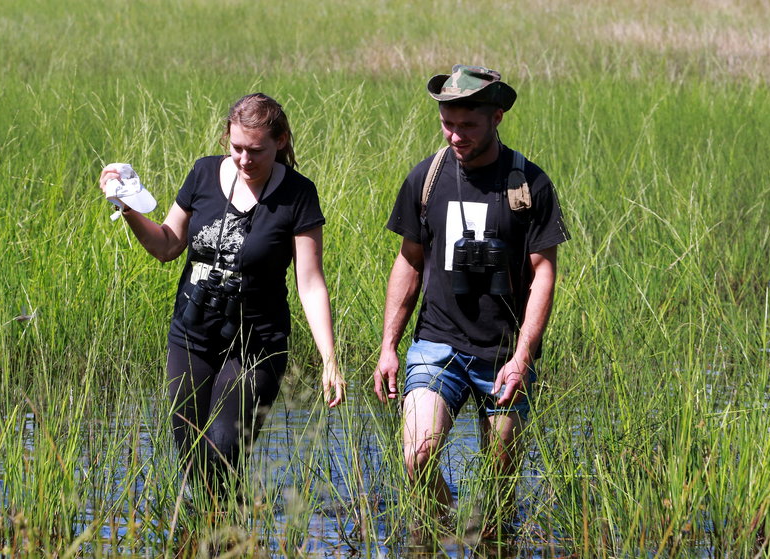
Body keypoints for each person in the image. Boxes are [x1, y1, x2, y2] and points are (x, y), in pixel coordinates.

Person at [99, 93, 345, 495]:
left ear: (280, 141)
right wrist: (127, 209)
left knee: (223, 454)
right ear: (226, 140)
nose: (245, 160)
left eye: (256, 151)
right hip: (192, 335)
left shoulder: (298, 194)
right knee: (193, 459)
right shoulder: (202, 174)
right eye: (237, 149)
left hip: (256, 345)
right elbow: (166, 246)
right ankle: (211, 535)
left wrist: (329, 358)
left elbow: (310, 281)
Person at [373, 65, 570, 536]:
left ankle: (489, 538)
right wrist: (388, 347)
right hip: (437, 343)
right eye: (447, 124)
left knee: (501, 486)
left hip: (503, 353)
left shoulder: (530, 185)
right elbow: (409, 262)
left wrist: (523, 356)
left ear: (497, 117)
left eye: (468, 125)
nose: (456, 136)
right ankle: (448, 532)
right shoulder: (427, 177)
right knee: (418, 457)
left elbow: (544, 273)